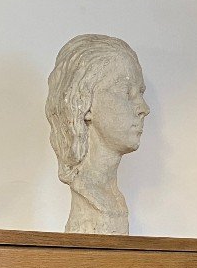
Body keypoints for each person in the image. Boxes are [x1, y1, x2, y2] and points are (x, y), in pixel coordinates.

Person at [46, 34, 149, 235]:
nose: (144, 108)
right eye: (126, 92)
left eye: (141, 94)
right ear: (84, 102)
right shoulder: (89, 195)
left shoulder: (114, 199)